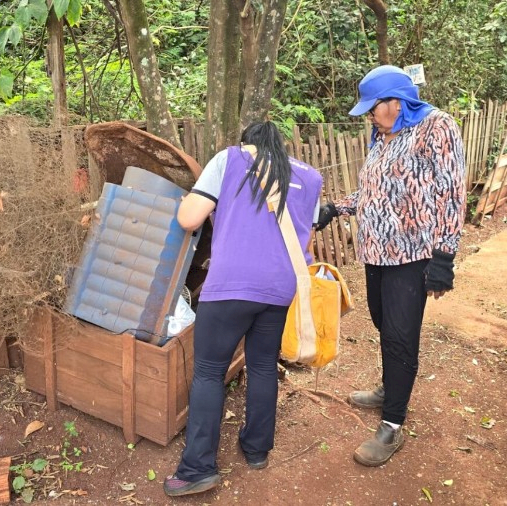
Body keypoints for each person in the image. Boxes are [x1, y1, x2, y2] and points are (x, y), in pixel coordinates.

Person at [315, 65, 465, 467]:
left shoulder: (436, 127)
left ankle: (392, 424)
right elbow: (372, 190)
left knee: (401, 336)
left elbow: (452, 193)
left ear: (396, 103)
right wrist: (336, 208)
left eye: (372, 108)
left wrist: (444, 257)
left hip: (411, 255)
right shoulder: (381, 136)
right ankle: (389, 387)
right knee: (384, 323)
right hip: (375, 252)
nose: (369, 116)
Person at [163, 121, 323, 497]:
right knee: (263, 365)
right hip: (280, 288)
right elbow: (305, 239)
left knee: (208, 372)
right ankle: (256, 450)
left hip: (230, 285)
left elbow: (188, 219)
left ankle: (198, 469)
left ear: (247, 144)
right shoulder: (311, 177)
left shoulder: (230, 159)